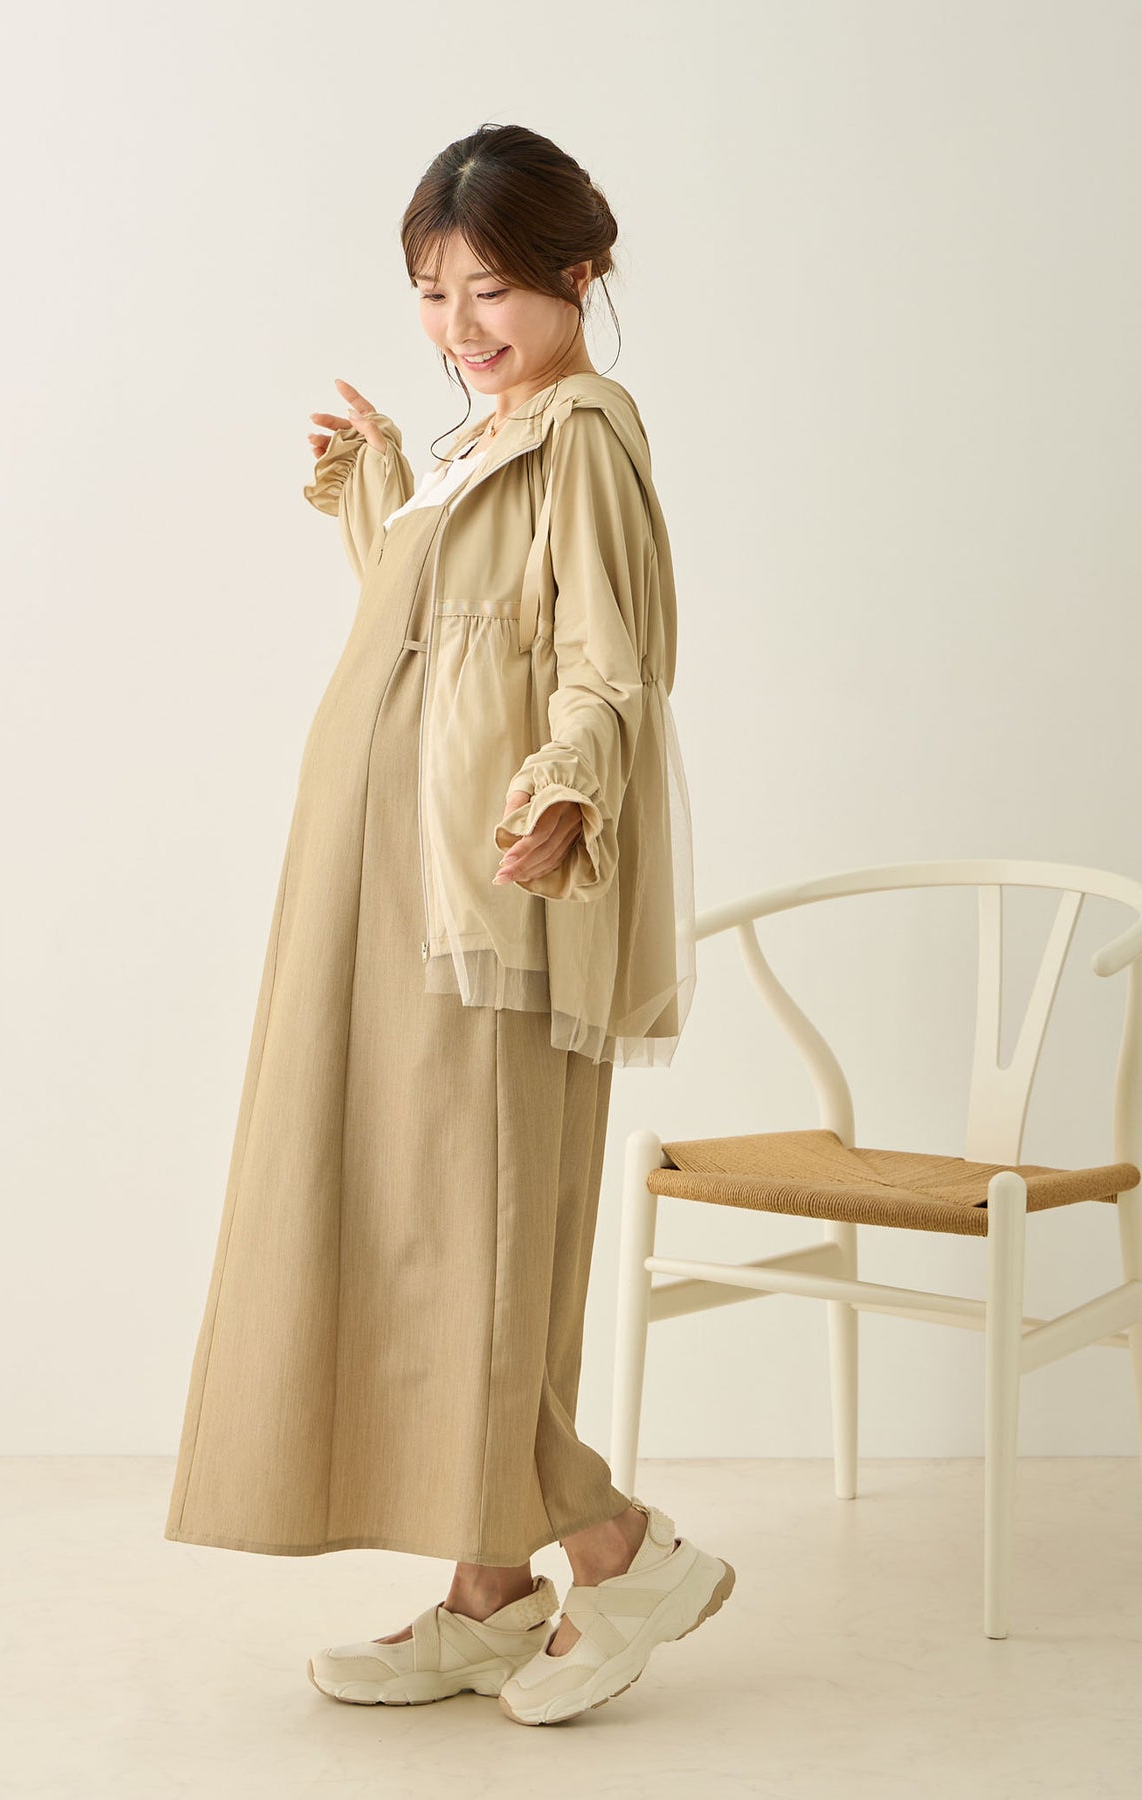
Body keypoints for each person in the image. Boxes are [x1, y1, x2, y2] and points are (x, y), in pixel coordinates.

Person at [164, 122, 734, 1726]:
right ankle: (489, 1591)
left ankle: (616, 1551)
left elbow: (607, 664)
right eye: (430, 292)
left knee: (476, 1243)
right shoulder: (487, 440)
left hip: (492, 896)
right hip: (383, 888)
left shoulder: (583, 437)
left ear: (576, 273)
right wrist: (380, 490)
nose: (458, 325)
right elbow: (432, 633)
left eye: (488, 289)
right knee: (424, 1231)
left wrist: (565, 786)